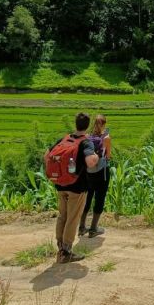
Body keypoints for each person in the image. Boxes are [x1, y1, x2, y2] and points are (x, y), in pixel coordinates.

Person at [52, 112, 99, 263]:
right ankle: (66, 252)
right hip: (77, 187)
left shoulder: (64, 139)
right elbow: (91, 162)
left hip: (60, 185)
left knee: (62, 216)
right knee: (72, 218)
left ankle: (60, 248)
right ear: (88, 125)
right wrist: (97, 156)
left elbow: (46, 155)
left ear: (75, 123)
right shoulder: (86, 142)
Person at [79, 114, 112, 237]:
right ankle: (93, 229)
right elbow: (108, 156)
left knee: (87, 198)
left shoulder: (87, 137)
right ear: (104, 124)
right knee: (99, 198)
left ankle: (81, 227)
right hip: (101, 172)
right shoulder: (106, 138)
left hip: (88, 172)